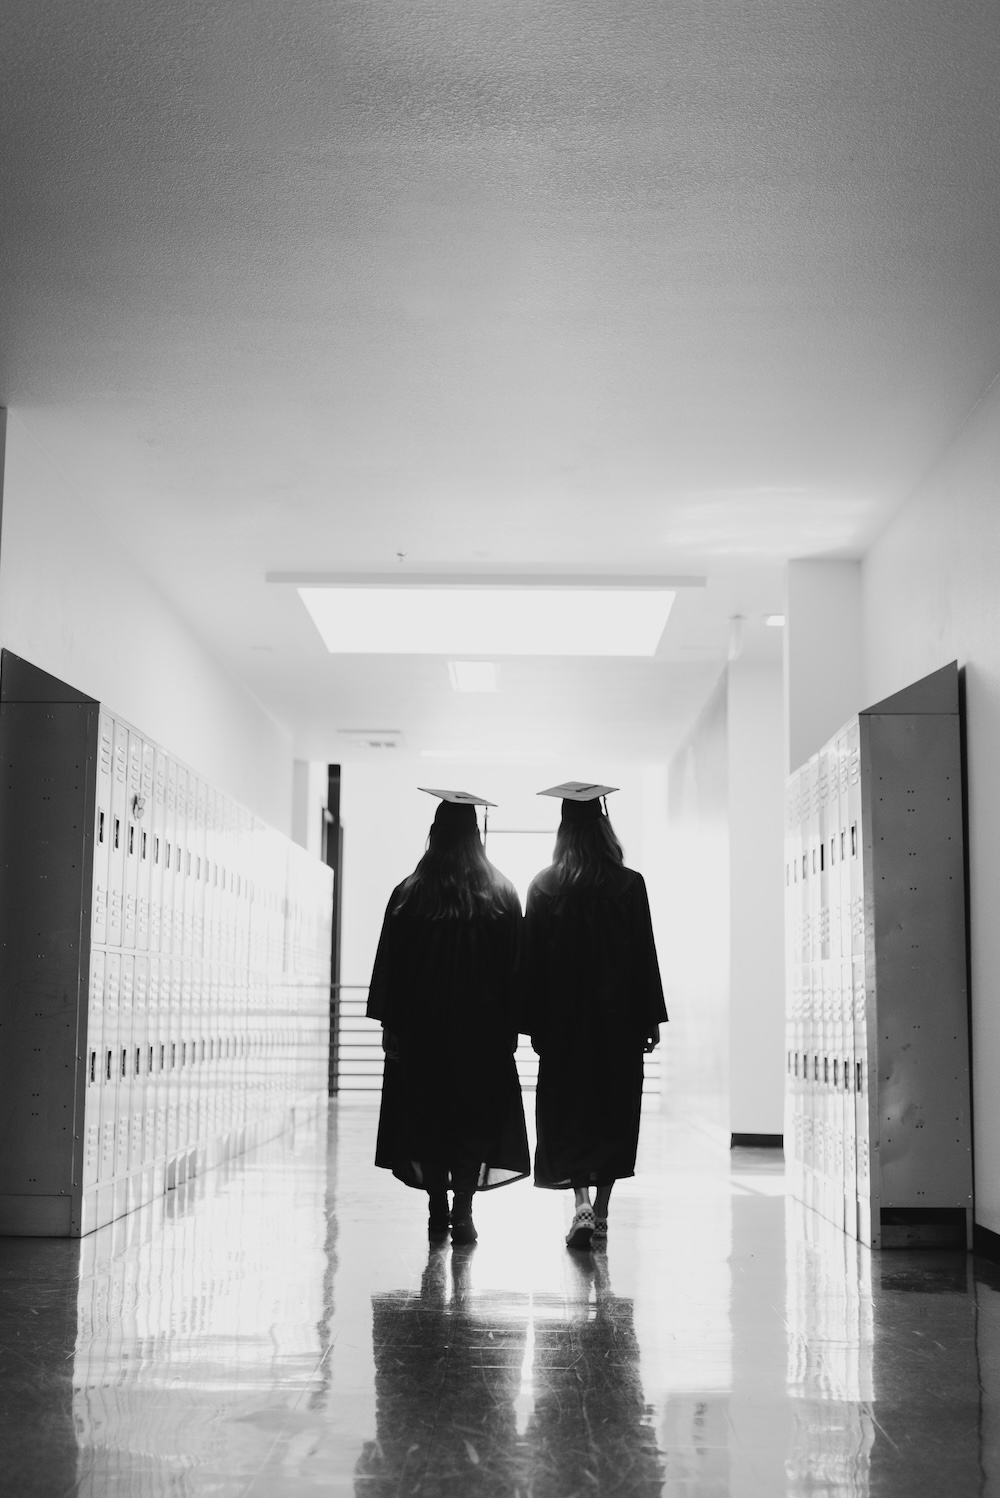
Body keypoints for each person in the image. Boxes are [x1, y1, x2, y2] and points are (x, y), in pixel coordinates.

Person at [367, 788, 529, 1244]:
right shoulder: (500, 893)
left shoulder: (409, 893)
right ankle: (464, 1208)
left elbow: (390, 967)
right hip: (481, 1034)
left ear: (434, 835)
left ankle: (437, 1205)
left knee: (428, 1116)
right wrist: (513, 1026)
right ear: (475, 836)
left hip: (423, 1031)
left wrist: (390, 1025)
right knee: (472, 1119)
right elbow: (517, 967)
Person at [521, 782, 667, 1252]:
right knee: (613, 1114)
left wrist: (531, 1024)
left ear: (563, 830)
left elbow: (530, 964)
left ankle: (579, 1200)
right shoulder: (630, 885)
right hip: (617, 1027)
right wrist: (650, 1020)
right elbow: (645, 956)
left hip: (563, 1028)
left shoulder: (544, 885)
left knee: (567, 1114)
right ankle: (601, 1212)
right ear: (605, 827)